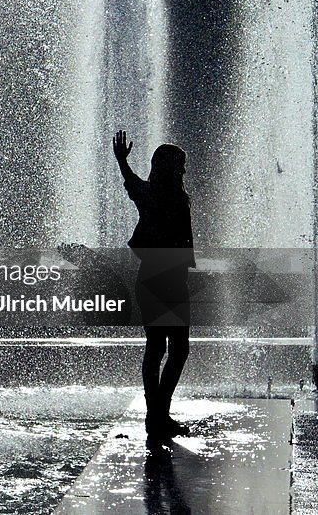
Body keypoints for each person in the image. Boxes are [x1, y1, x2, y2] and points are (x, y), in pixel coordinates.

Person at [112, 130, 194, 439]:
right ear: (168, 166)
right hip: (160, 281)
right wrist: (121, 162)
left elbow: (133, 185)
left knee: (171, 349)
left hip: (169, 280)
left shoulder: (171, 195)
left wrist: (122, 162)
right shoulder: (156, 193)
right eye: (179, 165)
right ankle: (156, 415)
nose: (183, 170)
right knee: (164, 348)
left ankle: (158, 414)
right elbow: (132, 185)